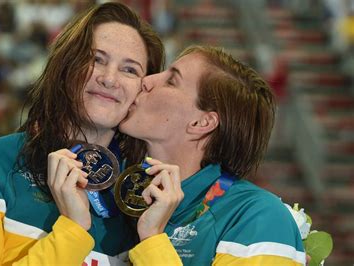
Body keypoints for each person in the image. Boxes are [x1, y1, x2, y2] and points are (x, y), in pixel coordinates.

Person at [0, 2, 164, 265]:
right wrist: (72, 231)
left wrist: (152, 240)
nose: (110, 79)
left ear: (142, 92)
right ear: (64, 67)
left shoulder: (140, 199)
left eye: (130, 69)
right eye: (96, 60)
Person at [119, 45, 306, 265]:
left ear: (201, 123)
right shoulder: (104, 186)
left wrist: (152, 240)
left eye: (171, 81)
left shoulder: (257, 217)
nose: (146, 81)